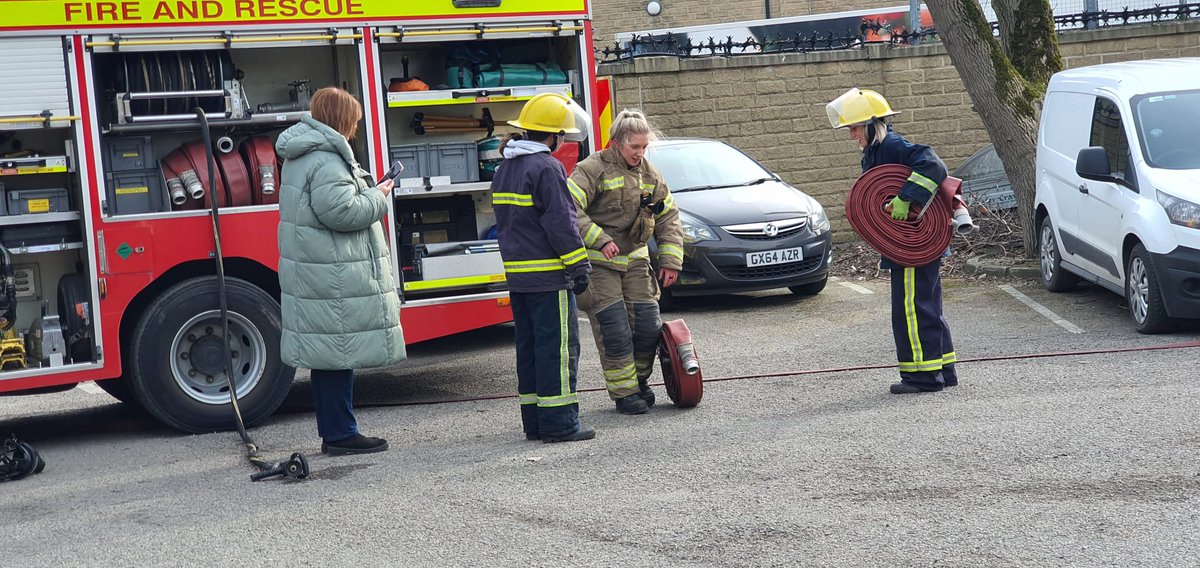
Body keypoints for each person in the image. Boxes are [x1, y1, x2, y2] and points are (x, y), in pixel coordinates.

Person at [276, 87, 406, 454]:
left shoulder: (302, 154)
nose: (354, 129)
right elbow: (342, 213)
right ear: (342, 120)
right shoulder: (327, 160)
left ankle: (338, 431)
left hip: (318, 271)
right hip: (331, 275)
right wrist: (379, 195)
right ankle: (340, 435)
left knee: (329, 355)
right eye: (353, 121)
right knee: (336, 354)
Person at [826, 87, 958, 394]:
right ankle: (943, 369)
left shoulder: (893, 146)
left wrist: (905, 198)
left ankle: (922, 377)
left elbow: (933, 166)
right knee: (927, 305)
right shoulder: (876, 151)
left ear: (873, 125)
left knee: (911, 309)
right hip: (909, 242)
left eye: (855, 128)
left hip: (915, 244)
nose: (851, 135)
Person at [492, 92, 595, 443]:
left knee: (531, 349)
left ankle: (535, 422)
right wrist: (579, 265)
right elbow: (561, 224)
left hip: (520, 279)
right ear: (551, 136)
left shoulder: (506, 166)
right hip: (550, 279)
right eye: (561, 135)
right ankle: (560, 424)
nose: (563, 140)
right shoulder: (548, 168)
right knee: (559, 349)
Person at [567, 109, 684, 414]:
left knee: (647, 326)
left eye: (645, 147)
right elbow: (568, 209)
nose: (640, 153)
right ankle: (625, 393)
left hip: (635, 261)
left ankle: (639, 381)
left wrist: (671, 260)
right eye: (635, 147)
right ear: (617, 142)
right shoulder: (592, 169)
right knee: (615, 329)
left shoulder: (649, 173)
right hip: (600, 265)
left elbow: (668, 215)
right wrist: (599, 239)